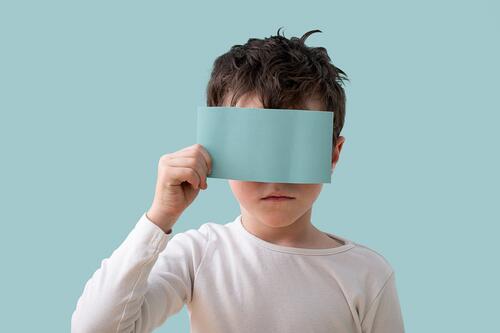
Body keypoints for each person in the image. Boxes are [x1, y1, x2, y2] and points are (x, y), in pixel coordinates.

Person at [71, 28, 405, 333]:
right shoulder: (197, 254)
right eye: (251, 148)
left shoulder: (367, 275)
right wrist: (159, 217)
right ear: (219, 149)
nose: (273, 177)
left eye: (296, 147)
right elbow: (94, 328)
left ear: (332, 154)